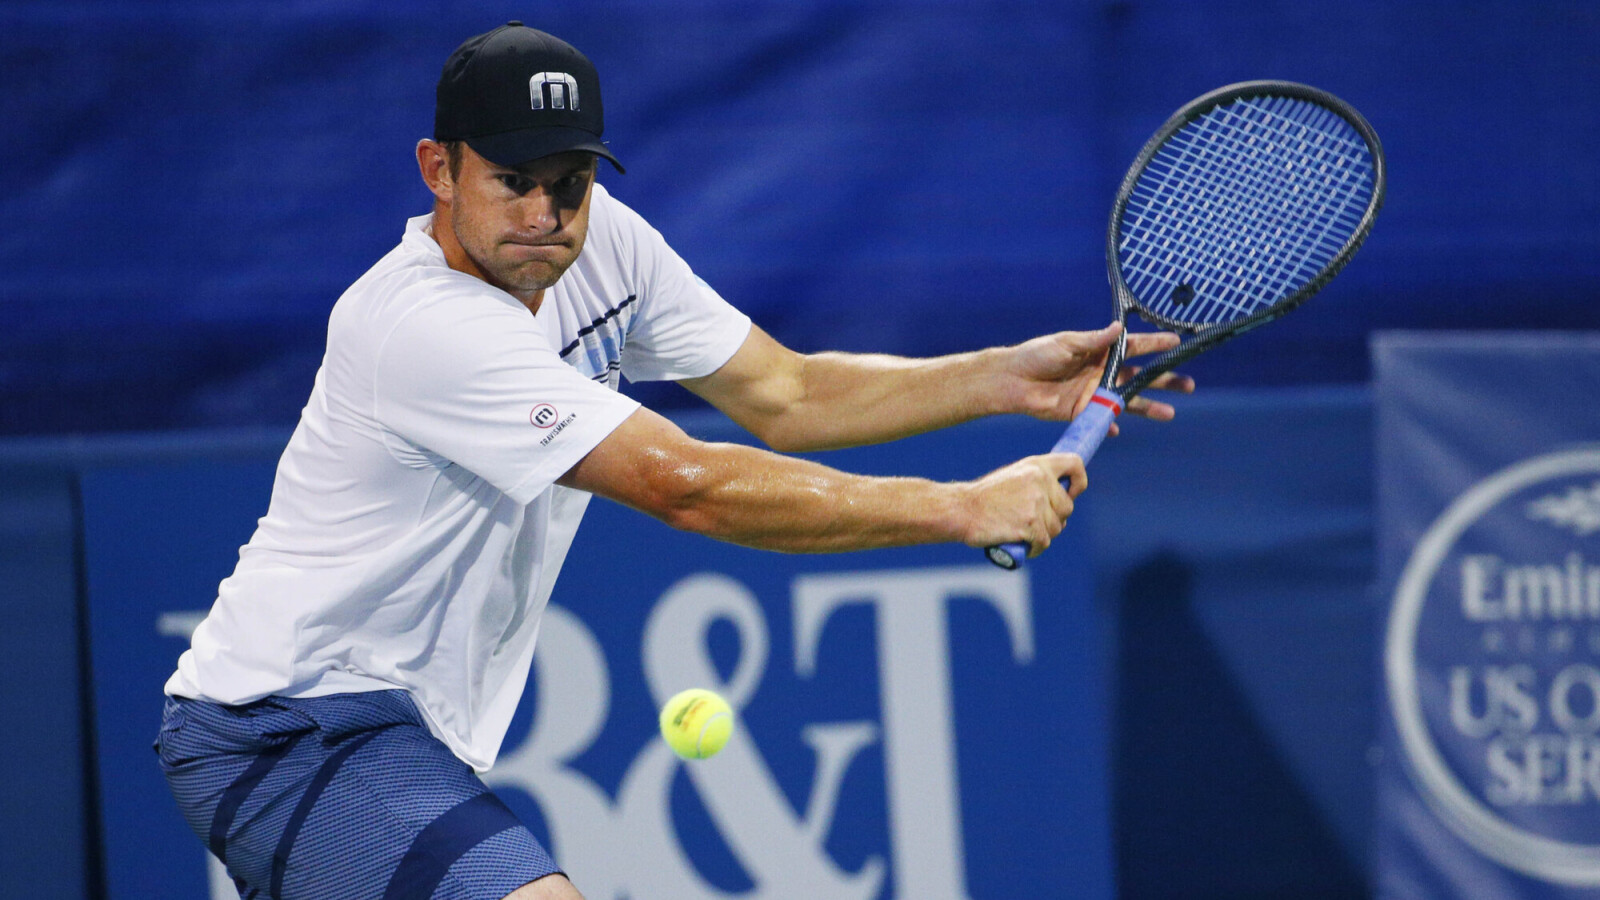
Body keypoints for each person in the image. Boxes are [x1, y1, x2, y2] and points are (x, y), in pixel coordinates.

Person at [154, 21, 1192, 900]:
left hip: (408, 735)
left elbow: (785, 395)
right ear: (440, 169)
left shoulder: (604, 248)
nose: (544, 215)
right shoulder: (421, 326)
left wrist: (999, 379)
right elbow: (684, 484)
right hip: (288, 727)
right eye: (511, 180)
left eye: (568, 184)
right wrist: (961, 508)